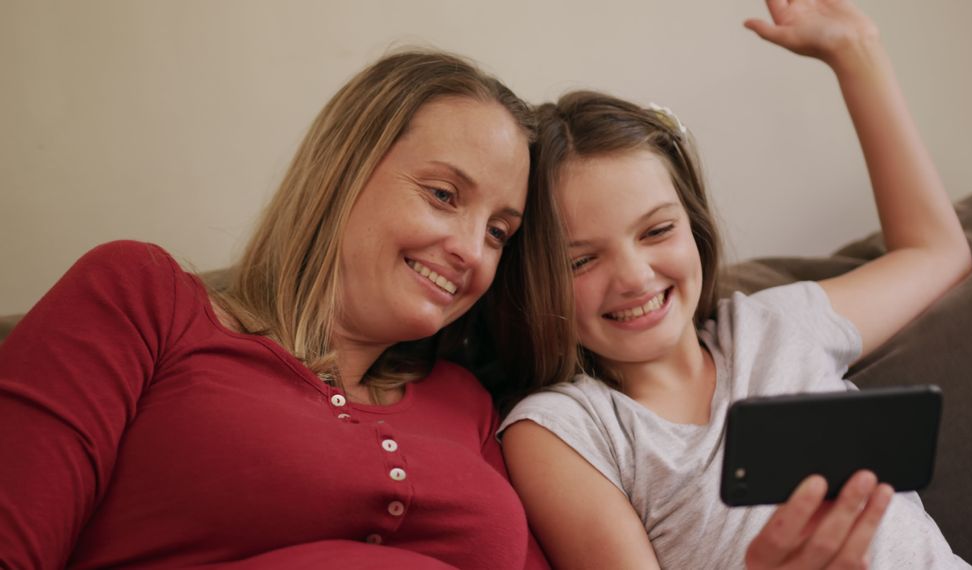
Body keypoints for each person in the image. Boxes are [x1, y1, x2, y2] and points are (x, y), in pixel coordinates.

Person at [0, 50, 576, 569]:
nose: (471, 252)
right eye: (444, 196)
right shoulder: (143, 299)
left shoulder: (467, 403)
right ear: (343, 171)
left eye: (499, 232)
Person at [501, 1, 972, 568]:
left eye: (656, 230)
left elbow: (937, 253)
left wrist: (857, 54)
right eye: (580, 261)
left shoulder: (776, 325)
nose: (633, 276)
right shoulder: (565, 430)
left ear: (694, 227)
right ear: (536, 282)